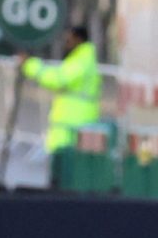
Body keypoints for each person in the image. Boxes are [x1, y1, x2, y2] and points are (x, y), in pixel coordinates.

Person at [19, 25, 101, 153]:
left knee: (67, 161)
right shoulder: (80, 58)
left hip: (73, 125)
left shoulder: (82, 60)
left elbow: (58, 79)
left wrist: (30, 65)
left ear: (78, 39)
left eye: (69, 39)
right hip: (71, 124)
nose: (66, 43)